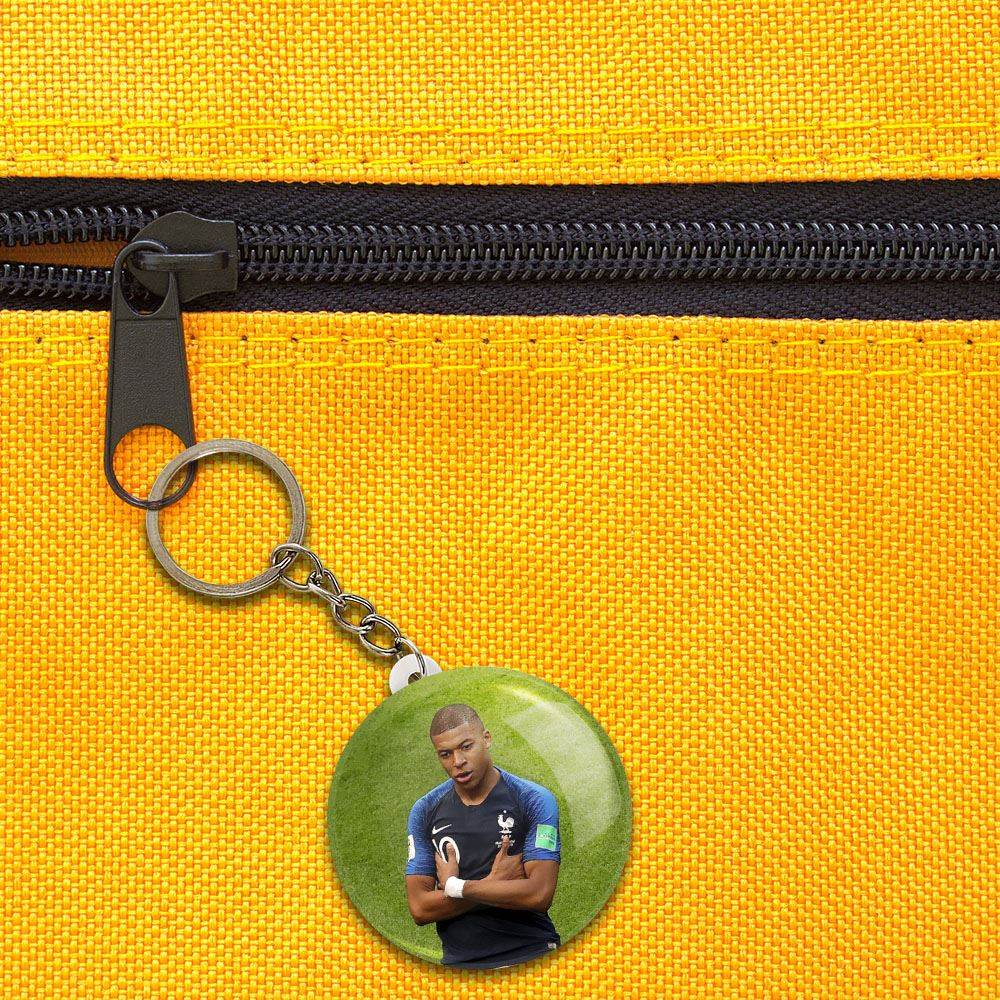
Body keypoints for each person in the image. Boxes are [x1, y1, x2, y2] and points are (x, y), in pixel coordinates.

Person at [404, 703, 561, 969]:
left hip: (530, 953)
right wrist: (493, 883)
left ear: (486, 739)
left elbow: (539, 893)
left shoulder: (533, 800)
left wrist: (455, 887)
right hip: (460, 965)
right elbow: (420, 908)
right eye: (445, 754)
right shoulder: (425, 810)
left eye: (466, 747)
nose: (457, 762)